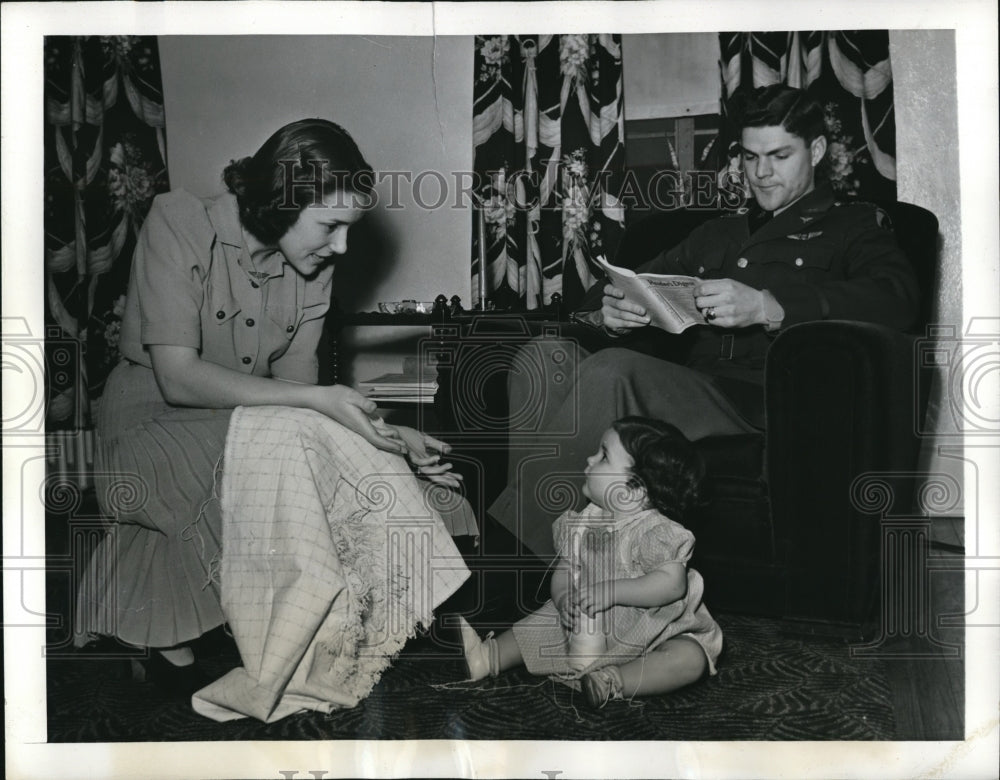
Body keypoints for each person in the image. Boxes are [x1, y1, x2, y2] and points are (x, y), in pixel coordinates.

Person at [75, 118, 470, 698]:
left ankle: (169, 635)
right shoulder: (181, 221)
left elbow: (305, 410)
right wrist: (321, 406)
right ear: (283, 199)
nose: (341, 247)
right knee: (296, 458)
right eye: (331, 225)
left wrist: (391, 435)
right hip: (150, 426)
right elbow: (179, 378)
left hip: (251, 427)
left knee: (327, 459)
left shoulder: (315, 271)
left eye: (348, 230)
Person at [488, 84, 921, 558]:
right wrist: (609, 312)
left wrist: (767, 306)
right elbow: (613, 288)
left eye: (779, 156)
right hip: (689, 386)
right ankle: (556, 560)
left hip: (764, 402)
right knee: (543, 355)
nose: (761, 173)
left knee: (613, 368)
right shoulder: (717, 232)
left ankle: (512, 564)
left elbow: (897, 300)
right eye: (751, 156)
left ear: (815, 151)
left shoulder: (853, 225)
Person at [458, 416, 722, 708]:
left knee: (689, 657)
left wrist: (612, 590)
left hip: (652, 630)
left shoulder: (654, 531)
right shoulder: (583, 523)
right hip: (588, 628)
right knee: (541, 624)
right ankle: (487, 656)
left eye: (604, 456)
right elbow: (564, 570)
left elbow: (672, 585)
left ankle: (614, 680)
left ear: (634, 492)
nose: (590, 458)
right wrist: (562, 598)